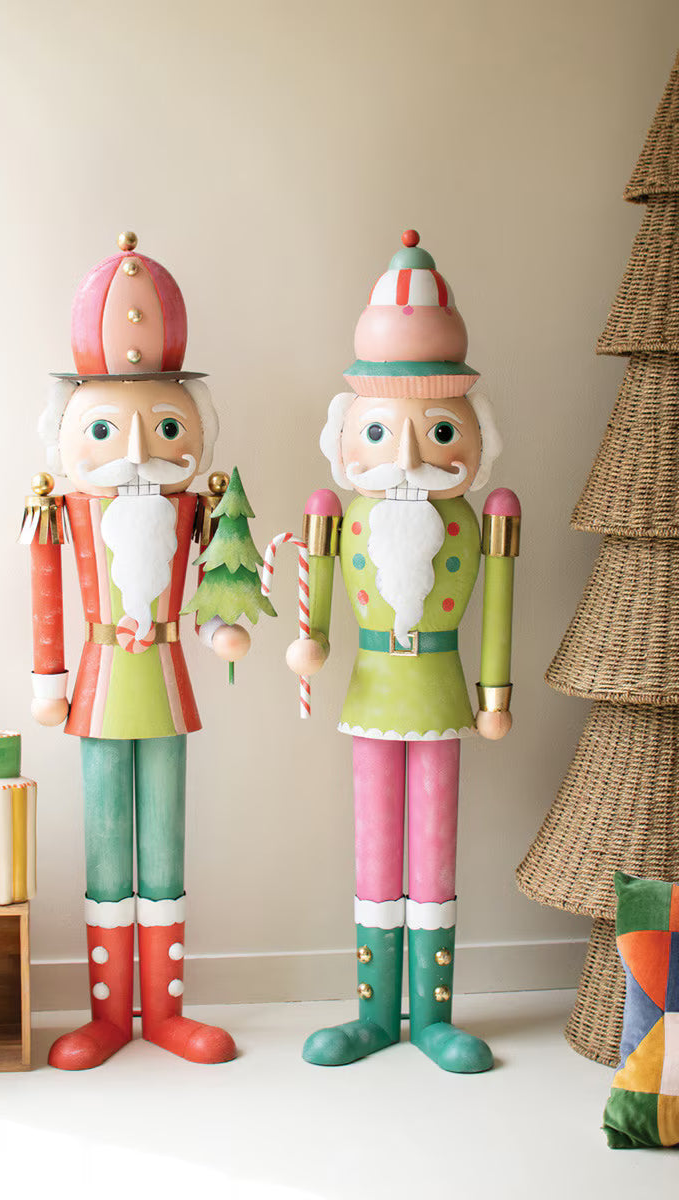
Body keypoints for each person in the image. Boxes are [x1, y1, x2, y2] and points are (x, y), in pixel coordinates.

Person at [287, 230, 519, 1072]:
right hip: (371, 690)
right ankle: (374, 1014)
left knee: (435, 854)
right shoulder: (342, 515)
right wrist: (310, 640)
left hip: (443, 692)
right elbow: (315, 596)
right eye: (382, 432)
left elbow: (499, 607)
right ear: (348, 434)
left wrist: (494, 694)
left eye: (438, 430)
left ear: (473, 433)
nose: (410, 457)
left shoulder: (478, 517)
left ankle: (435, 1018)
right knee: (376, 853)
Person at [23, 232, 248, 1070]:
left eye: (163, 425)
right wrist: (48, 678)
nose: (137, 450)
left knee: (165, 846)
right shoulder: (66, 508)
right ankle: (110, 1016)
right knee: (106, 847)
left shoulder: (196, 508)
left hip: (166, 677)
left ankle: (167, 1013)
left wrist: (221, 630)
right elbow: (48, 595)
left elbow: (214, 589)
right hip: (96, 683)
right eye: (106, 428)